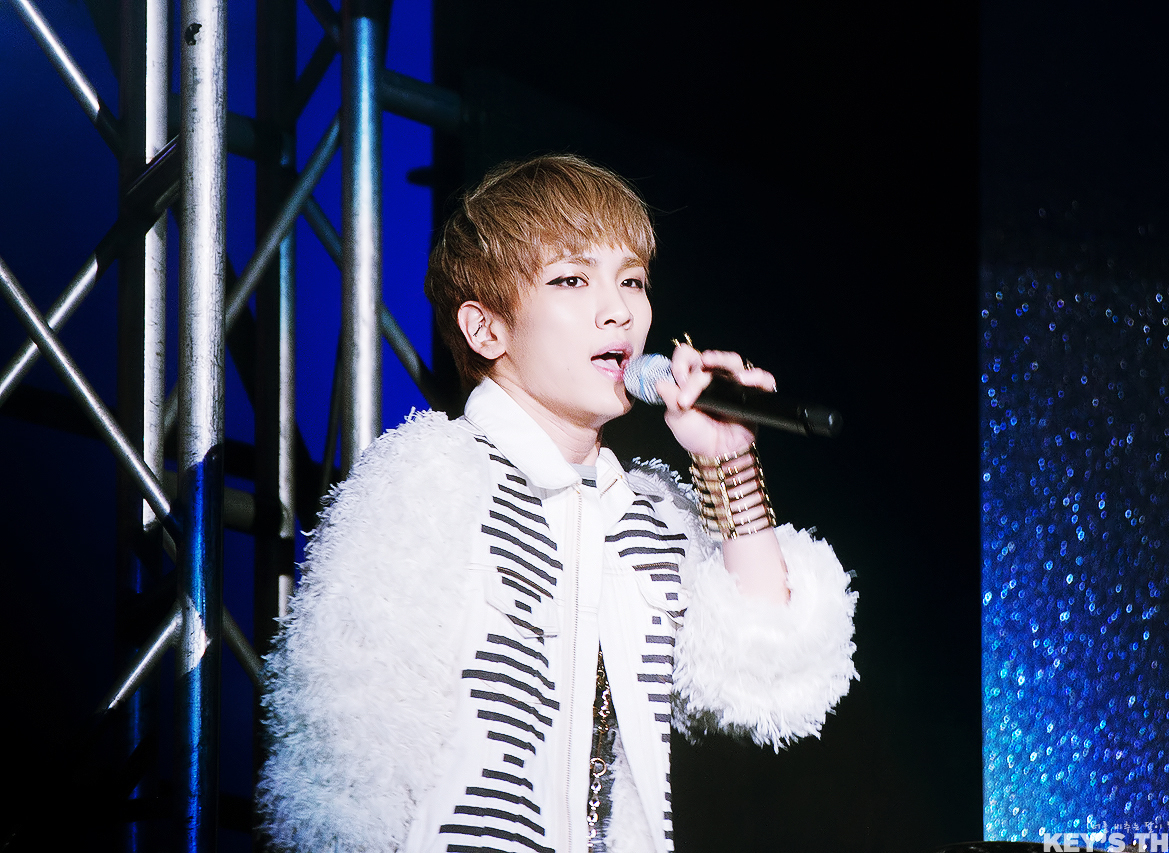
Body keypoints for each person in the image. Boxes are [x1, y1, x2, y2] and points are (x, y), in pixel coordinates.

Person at [257, 155, 858, 853]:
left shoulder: (649, 515)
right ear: (486, 329)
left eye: (632, 280)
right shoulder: (429, 482)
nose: (619, 309)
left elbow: (773, 671)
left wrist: (728, 457)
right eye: (573, 279)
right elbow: (341, 774)